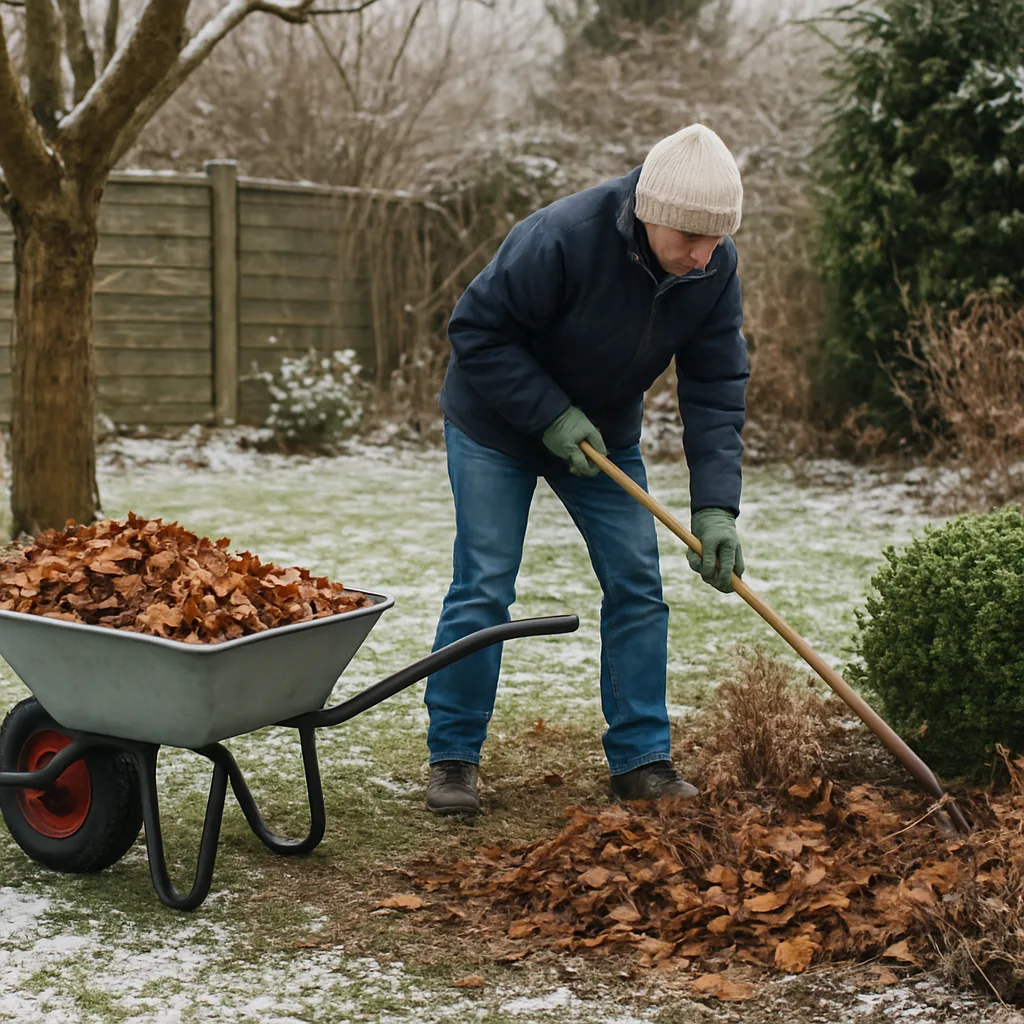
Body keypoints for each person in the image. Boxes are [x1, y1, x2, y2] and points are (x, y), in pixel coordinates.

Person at [423, 123, 748, 815]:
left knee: (638, 583)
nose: (704, 255)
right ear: (651, 211)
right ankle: (453, 757)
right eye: (692, 237)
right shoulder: (563, 236)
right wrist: (549, 412)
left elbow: (716, 387)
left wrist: (716, 507)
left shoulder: (713, 268)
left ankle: (641, 761)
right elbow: (476, 330)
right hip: (495, 423)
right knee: (484, 583)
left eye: (718, 237)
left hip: (602, 435)